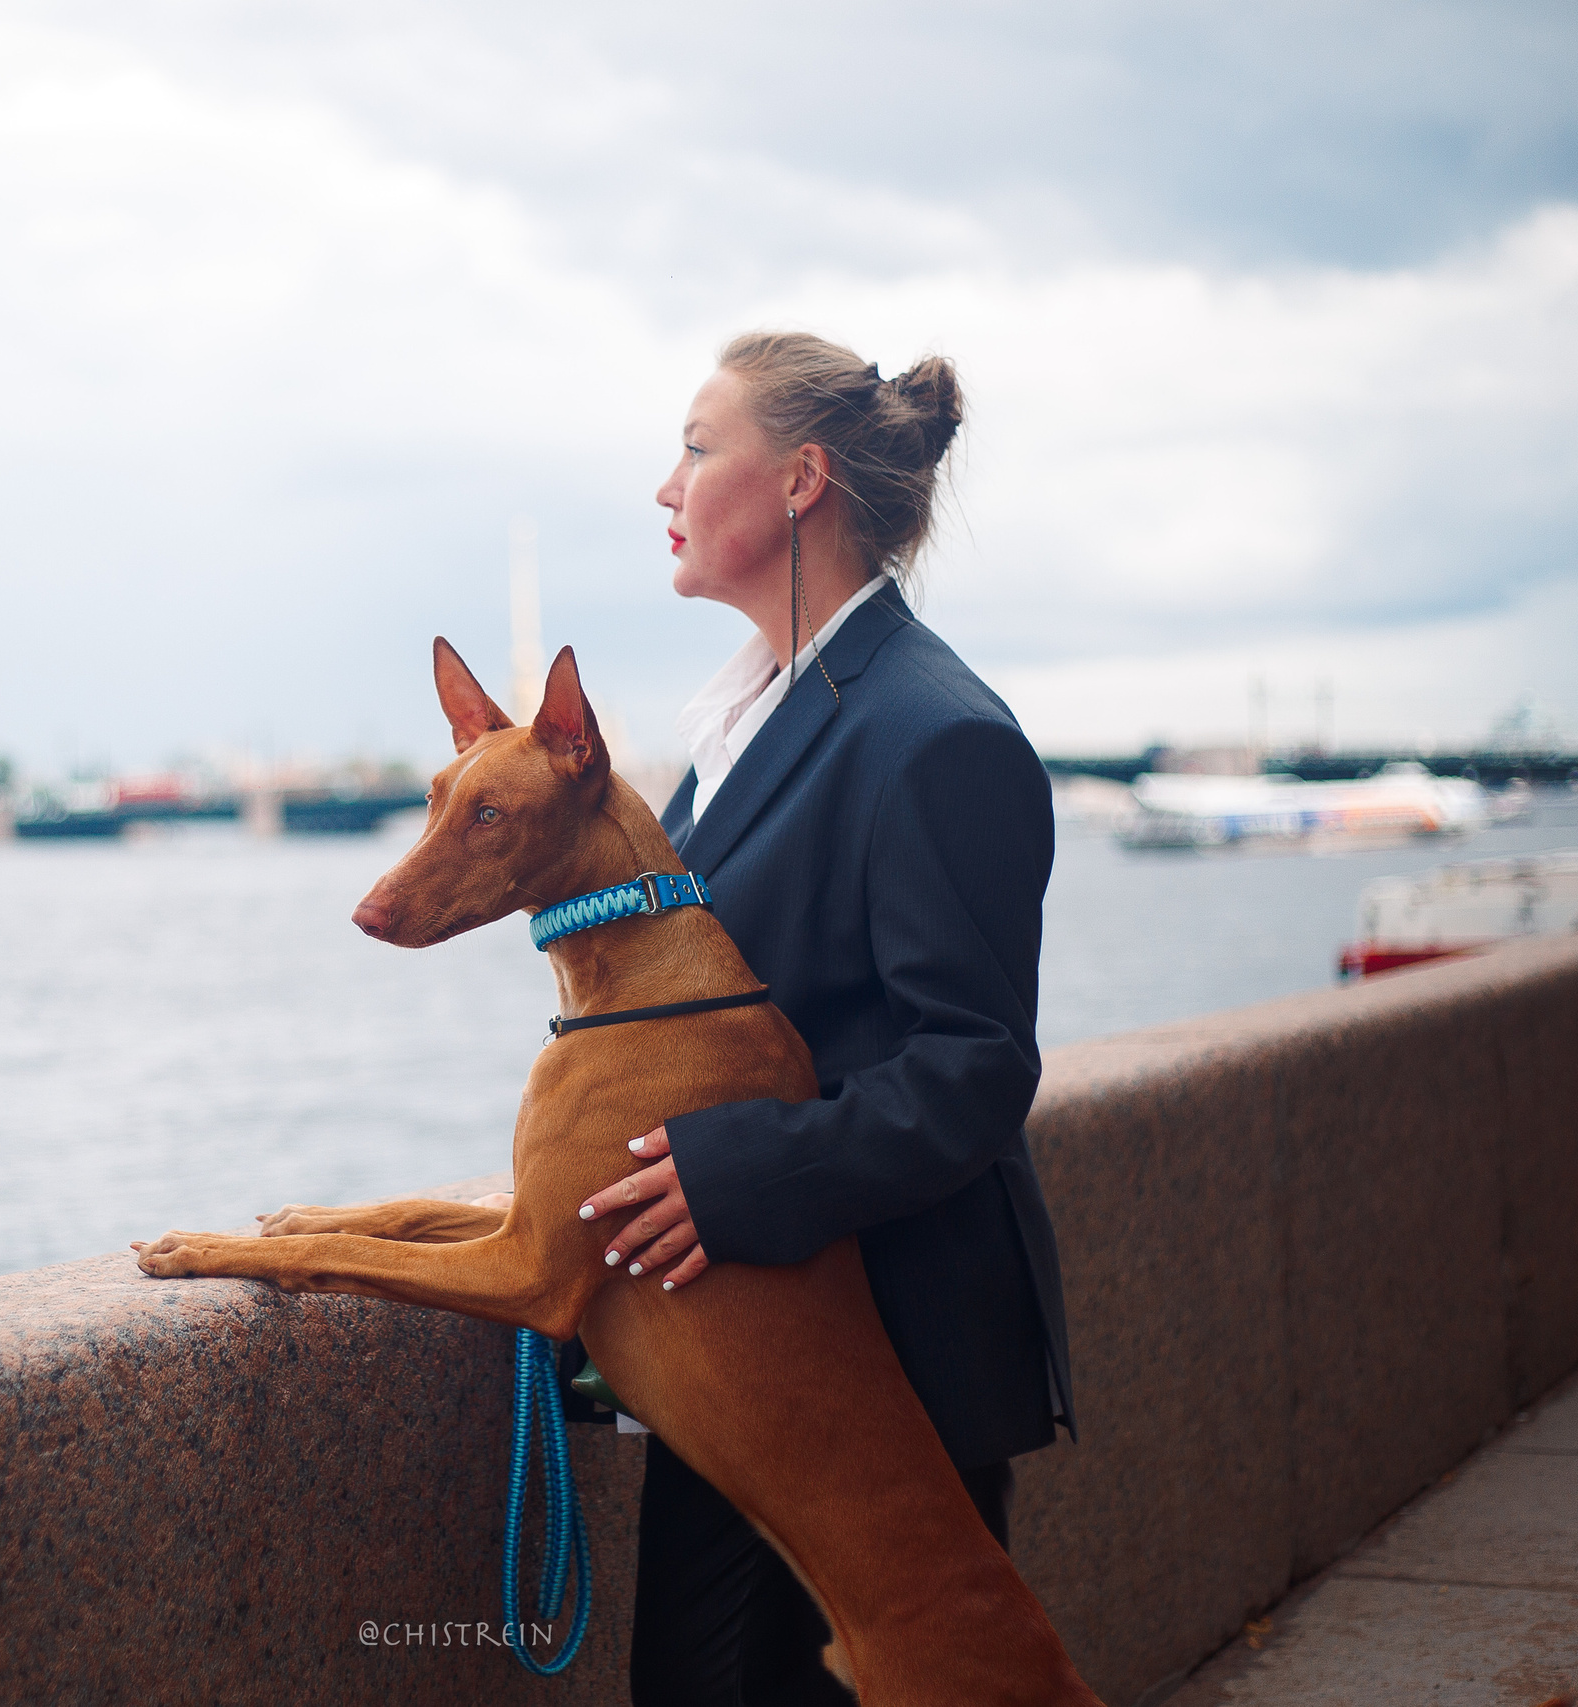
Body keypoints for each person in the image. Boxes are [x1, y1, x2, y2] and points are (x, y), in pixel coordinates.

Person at [580, 331, 1073, 1706]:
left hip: (879, 1365)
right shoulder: (747, 719)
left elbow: (972, 1070)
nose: (664, 485)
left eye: (694, 446)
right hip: (752, 1348)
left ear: (799, 481)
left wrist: (732, 1180)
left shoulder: (935, 733)